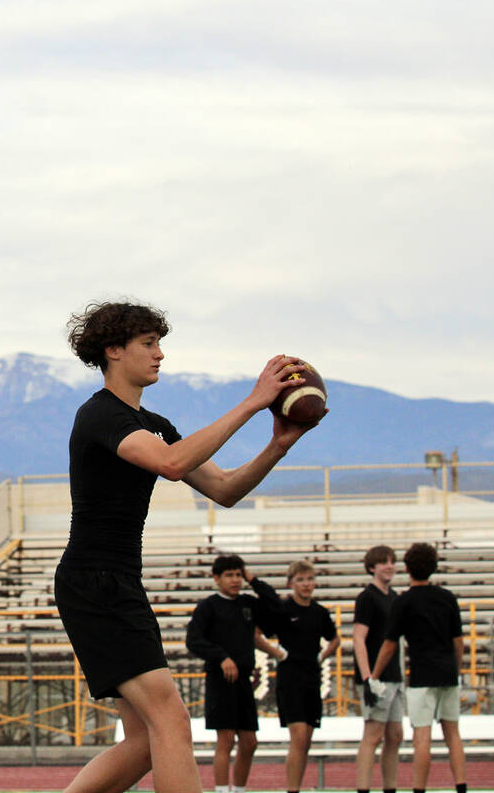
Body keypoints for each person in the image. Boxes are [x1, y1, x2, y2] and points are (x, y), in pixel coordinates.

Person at [56, 300, 322, 793]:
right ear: (113, 351)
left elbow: (225, 489)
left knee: (144, 743)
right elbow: (172, 464)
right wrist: (252, 401)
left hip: (115, 582)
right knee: (172, 722)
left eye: (160, 344)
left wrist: (278, 445)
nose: (160, 355)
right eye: (148, 344)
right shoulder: (99, 415)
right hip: (95, 581)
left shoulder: (153, 423)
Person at [369, 543, 467, 793]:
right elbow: (459, 642)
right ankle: (461, 786)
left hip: (422, 675)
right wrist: (457, 669)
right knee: (452, 734)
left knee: (422, 736)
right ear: (434, 567)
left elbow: (390, 645)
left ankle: (419, 789)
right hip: (448, 673)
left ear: (407, 568)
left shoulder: (404, 602)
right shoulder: (447, 598)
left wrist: (375, 675)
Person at [187, 555, 281, 793]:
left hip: (244, 681)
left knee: (249, 742)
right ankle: (220, 789)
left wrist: (253, 580)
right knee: (226, 739)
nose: (235, 580)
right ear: (216, 578)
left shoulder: (248, 603)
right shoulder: (208, 606)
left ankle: (238, 789)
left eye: (238, 575)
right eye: (229, 575)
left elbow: (275, 605)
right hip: (220, 680)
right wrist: (221, 657)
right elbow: (194, 640)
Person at [262, 560, 338, 793]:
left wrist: (323, 656)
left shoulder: (319, 612)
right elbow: (258, 634)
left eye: (310, 579)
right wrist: (276, 652)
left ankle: (298, 786)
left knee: (306, 741)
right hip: (290, 679)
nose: (306, 584)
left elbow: (335, 639)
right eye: (301, 580)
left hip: (311, 679)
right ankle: (292, 789)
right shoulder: (283, 610)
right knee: (299, 736)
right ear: (291, 583)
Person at [352, 545, 404, 793]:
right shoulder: (367, 597)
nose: (389, 565)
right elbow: (359, 638)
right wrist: (367, 677)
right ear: (372, 567)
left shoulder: (394, 597)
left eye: (392, 561)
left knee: (395, 736)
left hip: (394, 675)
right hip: (376, 677)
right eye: (384, 562)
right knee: (373, 735)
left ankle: (389, 788)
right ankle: (363, 789)